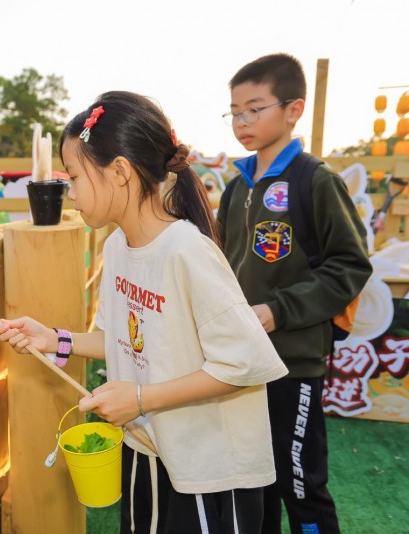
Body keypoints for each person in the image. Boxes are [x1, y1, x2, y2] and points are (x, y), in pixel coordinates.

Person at [0, 91, 288, 533]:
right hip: (146, 448)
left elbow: (244, 362)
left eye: (74, 176)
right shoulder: (117, 247)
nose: (70, 192)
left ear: (119, 172)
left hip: (206, 469)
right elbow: (121, 339)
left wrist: (139, 399)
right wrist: (54, 338)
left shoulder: (186, 251)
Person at [216, 54, 372, 534]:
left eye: (254, 108)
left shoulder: (314, 180)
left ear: (293, 109)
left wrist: (276, 311)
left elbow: (350, 266)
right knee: (255, 483)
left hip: (291, 362)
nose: (242, 121)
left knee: (299, 484)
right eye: (235, 111)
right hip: (241, 363)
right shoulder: (235, 187)